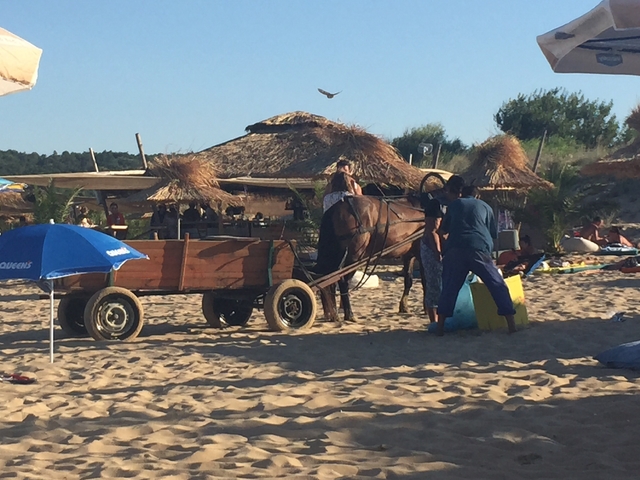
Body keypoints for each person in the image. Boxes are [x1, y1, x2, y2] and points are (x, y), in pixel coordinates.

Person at [436, 178, 517, 336]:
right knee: (497, 285)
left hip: (455, 251)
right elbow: (493, 234)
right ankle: (511, 325)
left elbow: (442, 231)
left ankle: (440, 328)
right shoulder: (486, 207)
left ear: (461, 194)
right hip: (479, 250)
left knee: (449, 288)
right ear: (477, 196)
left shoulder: (454, 205)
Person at [420, 175, 466, 325]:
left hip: (452, 248)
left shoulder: (459, 204)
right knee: (434, 284)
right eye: (455, 193)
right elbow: (432, 231)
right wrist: (438, 253)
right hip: (432, 248)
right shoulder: (436, 204)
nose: (457, 196)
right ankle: (434, 322)